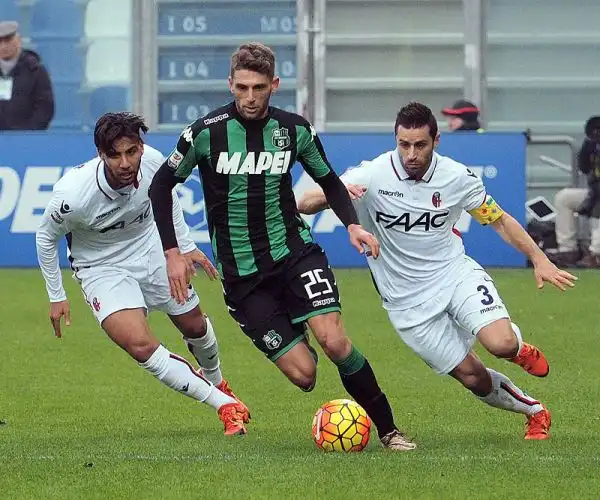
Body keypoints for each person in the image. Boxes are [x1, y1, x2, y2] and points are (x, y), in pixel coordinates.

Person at [148, 42, 415, 451]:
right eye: (241, 88)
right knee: (304, 375)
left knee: (335, 342)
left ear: (274, 84)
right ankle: (293, 322)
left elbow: (328, 181)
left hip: (293, 253)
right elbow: (161, 184)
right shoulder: (205, 133)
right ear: (231, 85)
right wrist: (172, 252)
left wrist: (352, 226)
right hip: (242, 278)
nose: (250, 97)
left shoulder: (293, 130)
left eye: (258, 87)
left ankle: (389, 431)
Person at [297, 102, 578, 441]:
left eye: (420, 145)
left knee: (500, 344)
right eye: (404, 145)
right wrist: (334, 195)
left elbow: (499, 220)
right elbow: (305, 201)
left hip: (454, 275)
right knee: (473, 376)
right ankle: (534, 411)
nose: (411, 154)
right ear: (396, 140)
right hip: (405, 303)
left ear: (436, 140)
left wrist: (538, 257)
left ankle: (518, 349)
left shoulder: (456, 177)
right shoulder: (372, 174)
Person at [35, 112, 250, 436]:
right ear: (100, 155)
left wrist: (182, 246)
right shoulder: (73, 195)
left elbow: (166, 196)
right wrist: (57, 295)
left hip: (150, 248)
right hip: (100, 267)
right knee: (139, 344)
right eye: (114, 155)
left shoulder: (153, 162)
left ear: (141, 146)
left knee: (194, 324)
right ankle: (223, 405)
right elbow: (45, 237)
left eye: (131, 151)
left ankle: (219, 382)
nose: (125, 163)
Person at [551, 115, 600, 268]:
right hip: (595, 193)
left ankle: (596, 254)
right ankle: (568, 250)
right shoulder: (594, 146)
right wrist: (588, 146)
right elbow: (584, 168)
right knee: (564, 198)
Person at [0, 21, 54, 130]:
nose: (3, 46)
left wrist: (27, 133)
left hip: (25, 140)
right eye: (0, 42)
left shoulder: (35, 70)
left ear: (18, 40)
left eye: (8, 40)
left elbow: (44, 108)